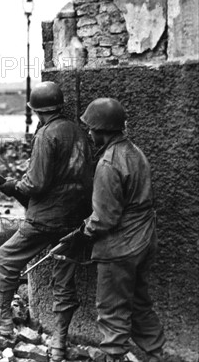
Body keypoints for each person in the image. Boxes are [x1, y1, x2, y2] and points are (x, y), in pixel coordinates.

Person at [0, 81, 93, 362]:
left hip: (45, 219)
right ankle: (58, 343)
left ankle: (3, 319)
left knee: (6, 258)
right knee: (63, 280)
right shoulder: (80, 132)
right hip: (75, 220)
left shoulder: (45, 134)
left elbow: (37, 183)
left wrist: (13, 185)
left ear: (37, 110)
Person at [80, 98, 165, 362]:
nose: (89, 133)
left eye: (91, 128)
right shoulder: (135, 152)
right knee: (139, 304)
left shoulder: (108, 163)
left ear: (101, 129)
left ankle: (114, 357)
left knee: (112, 310)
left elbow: (105, 218)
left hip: (119, 247)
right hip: (144, 240)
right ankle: (155, 354)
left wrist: (84, 230)